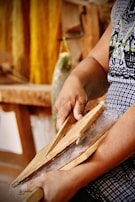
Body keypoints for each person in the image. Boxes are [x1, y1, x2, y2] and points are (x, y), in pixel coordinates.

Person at [20, 0, 135, 201]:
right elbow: (99, 63)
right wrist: (76, 80)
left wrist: (74, 177)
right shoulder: (125, 5)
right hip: (102, 154)